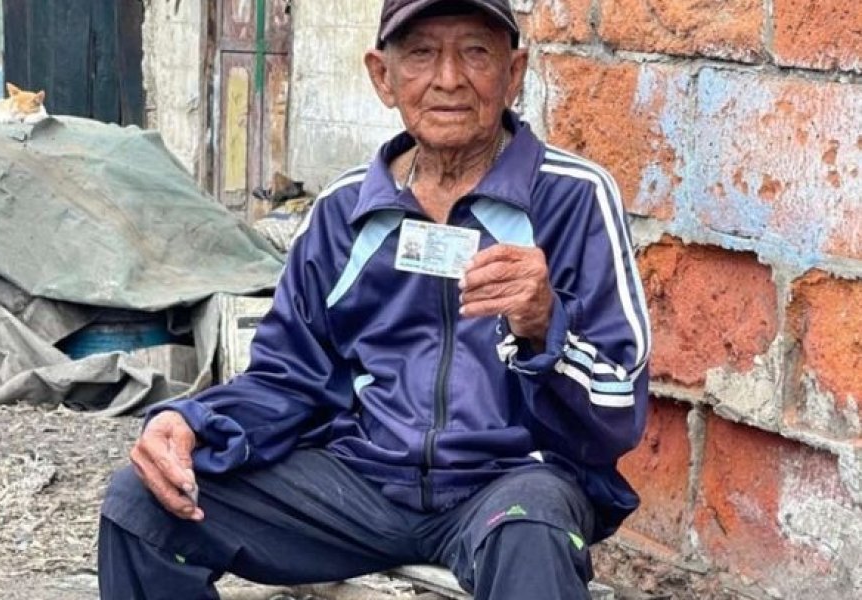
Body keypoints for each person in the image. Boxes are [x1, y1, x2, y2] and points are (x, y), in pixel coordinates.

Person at [98, 1, 651, 598]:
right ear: (381, 76)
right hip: (359, 484)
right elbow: (289, 378)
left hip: (509, 484)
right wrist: (190, 420)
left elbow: (618, 409)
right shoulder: (344, 210)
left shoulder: (573, 198)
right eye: (420, 53)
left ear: (513, 74)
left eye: (475, 52)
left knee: (531, 527)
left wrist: (545, 327)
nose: (448, 79)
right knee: (142, 502)